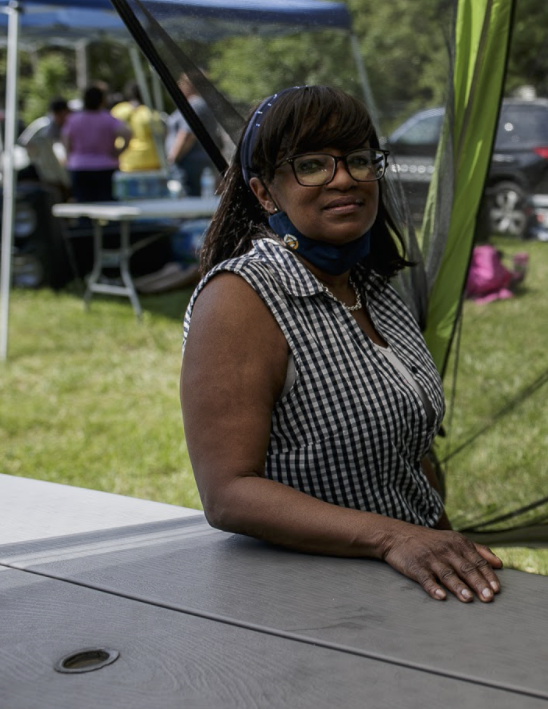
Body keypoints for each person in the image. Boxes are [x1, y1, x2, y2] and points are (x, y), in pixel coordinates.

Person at [180, 86, 501, 603]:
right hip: (308, 596)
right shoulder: (242, 299)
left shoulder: (371, 286)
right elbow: (228, 494)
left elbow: (407, 456)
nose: (345, 178)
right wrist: (393, 536)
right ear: (265, 194)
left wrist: (440, 537)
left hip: (409, 576)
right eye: (311, 165)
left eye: (357, 159)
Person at [61, 85, 129, 203]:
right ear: (102, 100)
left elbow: (66, 141)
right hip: (105, 166)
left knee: (83, 206)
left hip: (80, 167)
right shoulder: (108, 119)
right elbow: (127, 133)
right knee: (108, 205)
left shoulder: (73, 119)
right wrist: (118, 152)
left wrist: (69, 158)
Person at [166, 72, 219, 196]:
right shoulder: (201, 104)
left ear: (189, 85)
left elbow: (187, 135)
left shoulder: (195, 105)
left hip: (189, 163)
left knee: (189, 199)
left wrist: (173, 157)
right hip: (195, 162)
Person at [17, 97, 71, 201]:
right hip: (38, 170)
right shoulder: (43, 126)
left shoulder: (57, 126)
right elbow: (25, 143)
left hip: (51, 170)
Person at [110, 82, 163, 174]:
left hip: (126, 160)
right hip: (150, 160)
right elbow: (161, 136)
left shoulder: (118, 110)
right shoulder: (151, 113)